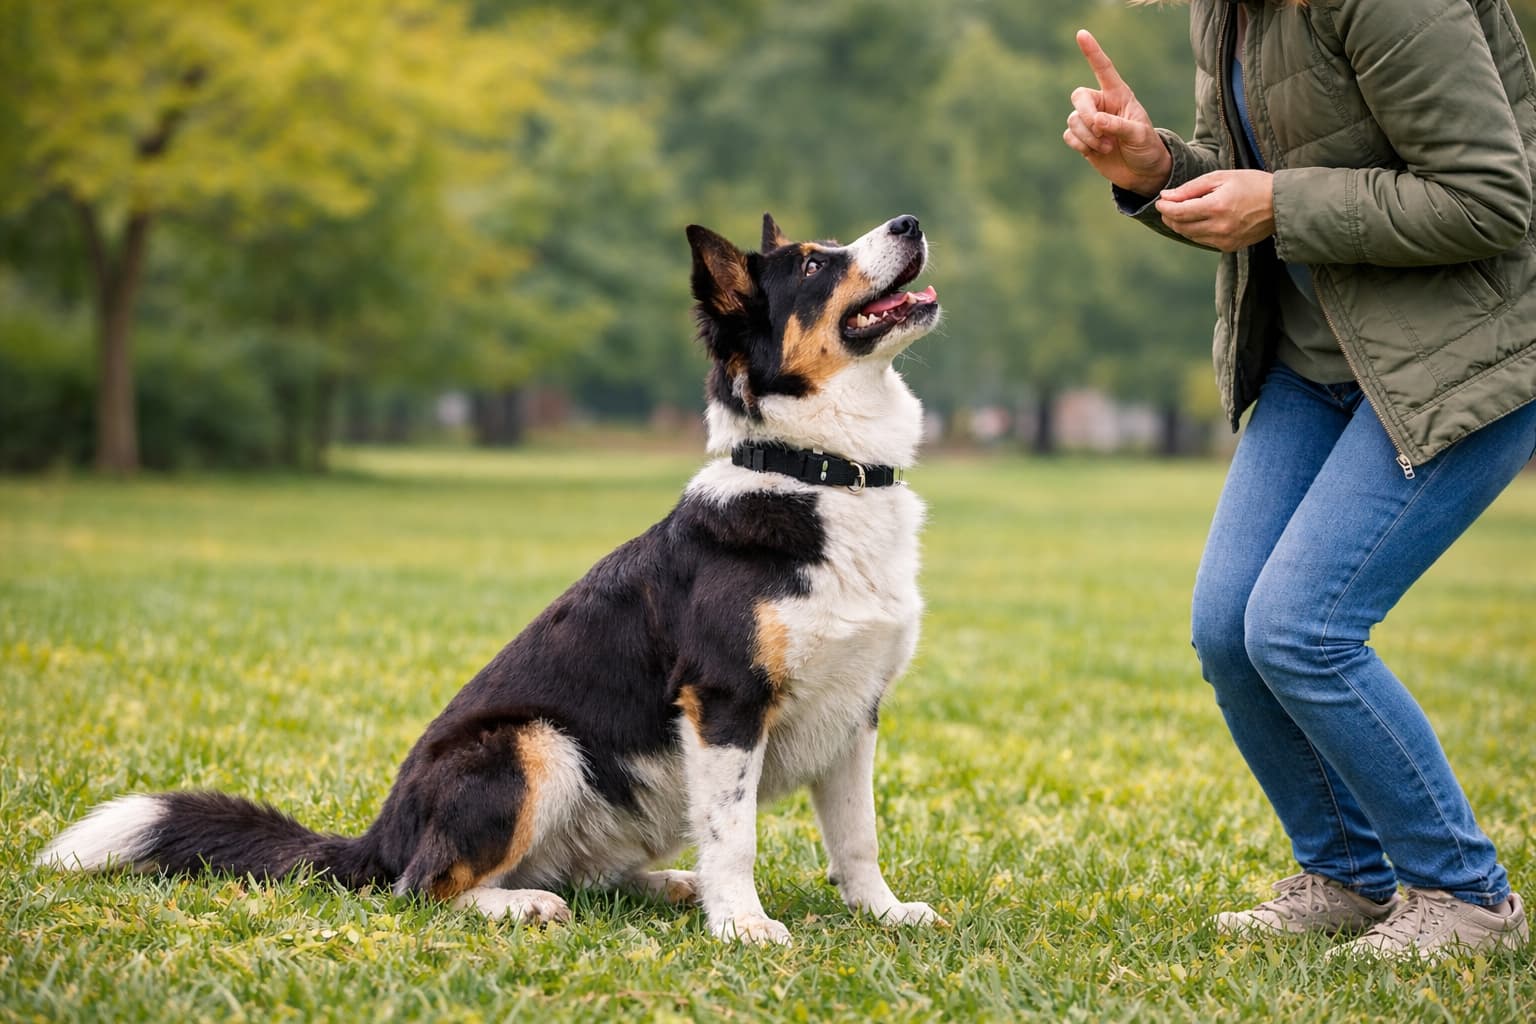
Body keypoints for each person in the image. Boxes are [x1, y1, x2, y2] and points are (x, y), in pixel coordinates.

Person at [1064, 0, 1536, 960]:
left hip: (1459, 359)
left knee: (1303, 629)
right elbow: (1249, 176)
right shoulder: (1229, 8)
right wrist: (1157, 168)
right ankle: (1347, 876)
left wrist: (1283, 204)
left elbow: (1492, 197)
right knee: (1229, 630)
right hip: (1313, 365)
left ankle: (1464, 895)